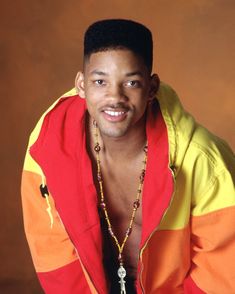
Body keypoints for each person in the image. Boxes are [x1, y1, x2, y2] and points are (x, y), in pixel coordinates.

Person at [21, 19, 235, 294]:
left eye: (131, 82)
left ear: (151, 88)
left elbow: (221, 272)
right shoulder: (47, 149)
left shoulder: (204, 161)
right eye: (100, 81)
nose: (115, 97)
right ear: (81, 85)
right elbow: (53, 256)